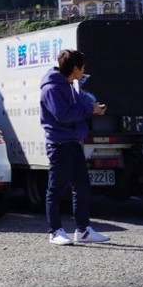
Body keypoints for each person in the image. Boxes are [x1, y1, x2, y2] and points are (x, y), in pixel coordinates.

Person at [41, 49, 109, 246]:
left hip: (73, 142)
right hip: (59, 144)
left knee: (82, 187)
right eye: (83, 67)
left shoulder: (70, 85)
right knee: (56, 189)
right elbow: (62, 115)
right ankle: (55, 231)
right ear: (75, 68)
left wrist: (93, 107)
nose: (84, 71)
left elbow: (78, 107)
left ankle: (83, 230)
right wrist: (88, 109)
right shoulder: (52, 88)